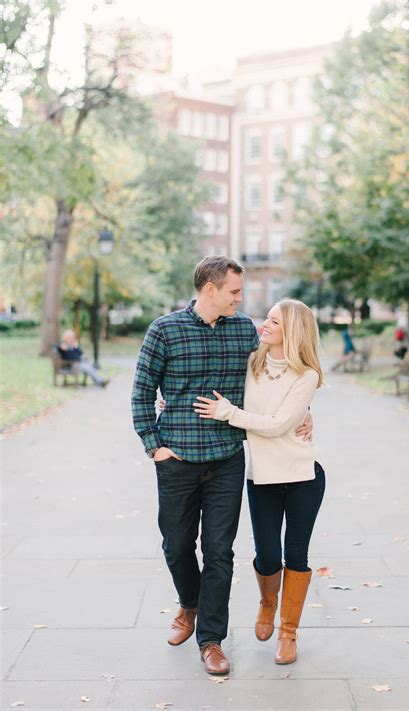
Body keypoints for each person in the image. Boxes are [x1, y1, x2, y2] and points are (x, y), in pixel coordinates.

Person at [131, 257, 312, 676]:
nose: (240, 298)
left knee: (219, 553)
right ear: (209, 289)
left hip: (227, 458)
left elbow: (280, 375)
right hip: (176, 458)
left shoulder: (246, 330)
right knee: (177, 546)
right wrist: (154, 447)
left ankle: (211, 640)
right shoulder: (164, 330)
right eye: (234, 291)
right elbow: (141, 394)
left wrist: (305, 410)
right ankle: (189, 605)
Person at [193, 298, 325, 665]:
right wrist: (171, 403)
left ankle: (288, 633)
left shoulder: (307, 375)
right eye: (266, 319)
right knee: (268, 556)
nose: (263, 325)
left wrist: (230, 413)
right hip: (263, 476)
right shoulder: (252, 362)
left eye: (273, 322)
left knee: (296, 555)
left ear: (293, 332)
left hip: (303, 475)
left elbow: (280, 423)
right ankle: (268, 602)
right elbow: (214, 384)